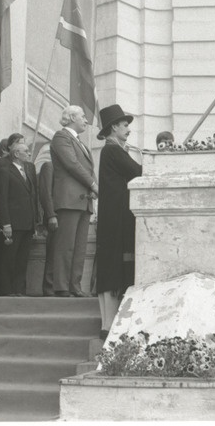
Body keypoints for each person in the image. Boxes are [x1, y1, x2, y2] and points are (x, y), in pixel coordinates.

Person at [95, 104, 142, 340]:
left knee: (111, 267)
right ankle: (109, 325)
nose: (128, 130)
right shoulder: (113, 151)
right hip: (116, 218)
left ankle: (108, 324)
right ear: (114, 127)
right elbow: (136, 171)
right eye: (124, 125)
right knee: (113, 267)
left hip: (114, 216)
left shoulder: (113, 150)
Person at [50, 105, 98, 297]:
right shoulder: (61, 137)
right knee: (66, 245)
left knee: (79, 247)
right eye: (83, 117)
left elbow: (85, 166)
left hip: (83, 200)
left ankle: (75, 286)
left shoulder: (80, 143)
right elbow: (72, 164)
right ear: (71, 118)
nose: (86, 120)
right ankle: (62, 286)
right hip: (69, 200)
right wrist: (93, 184)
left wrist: (91, 188)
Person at [0, 139, 39, 296]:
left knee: (22, 260)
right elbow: (2, 199)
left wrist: (35, 222)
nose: (29, 153)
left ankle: (19, 290)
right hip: (13, 223)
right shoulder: (6, 170)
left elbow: (33, 196)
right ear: (16, 154)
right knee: (8, 259)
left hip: (27, 223)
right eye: (26, 151)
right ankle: (6, 291)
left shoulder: (29, 170)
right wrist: (6, 224)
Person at [34, 144, 58, 296]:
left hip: (62, 214)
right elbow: (46, 193)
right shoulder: (48, 166)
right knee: (53, 252)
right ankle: (48, 287)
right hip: (54, 215)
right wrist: (50, 215)